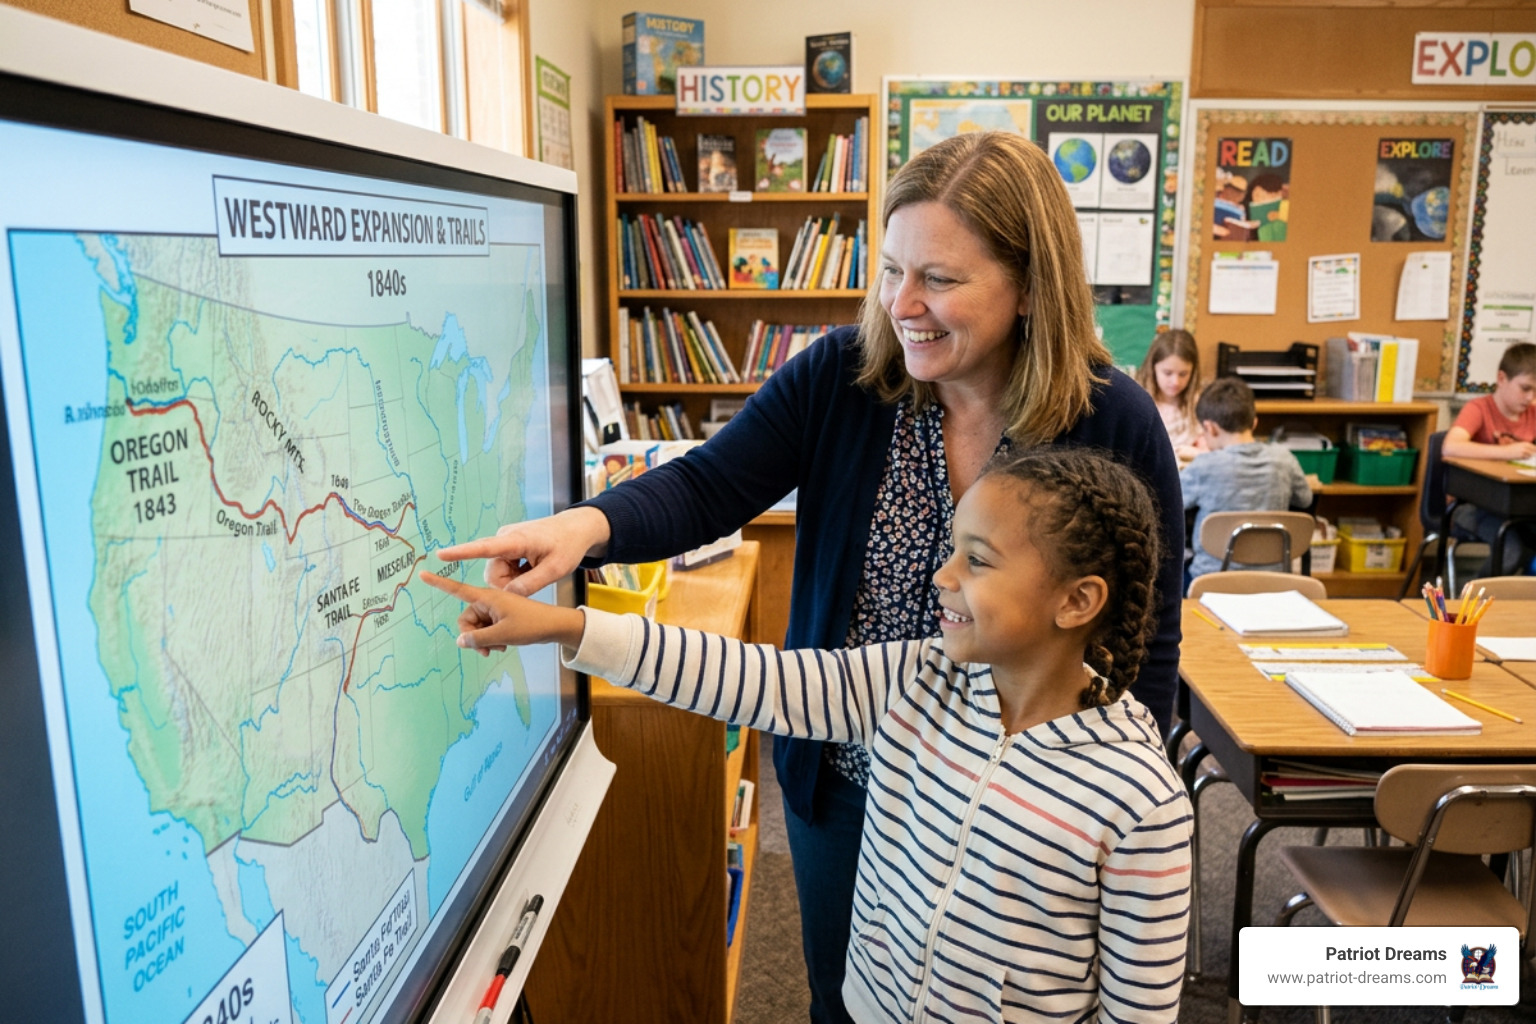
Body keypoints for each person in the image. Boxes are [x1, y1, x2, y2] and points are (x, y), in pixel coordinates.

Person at [435, 131, 1185, 1024]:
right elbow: (712, 486)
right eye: (891, 269)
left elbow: (1149, 636)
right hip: (848, 769)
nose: (904, 304)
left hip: (1037, 810)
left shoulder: (1115, 420)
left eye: (940, 279)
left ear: (1029, 286)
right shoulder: (845, 374)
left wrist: (1112, 807)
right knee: (853, 994)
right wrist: (585, 529)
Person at [421, 447, 1193, 1024]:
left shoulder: (1137, 799)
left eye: (978, 561)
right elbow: (749, 679)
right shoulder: (915, 680)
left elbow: (1140, 1011)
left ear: (1077, 600)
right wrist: (565, 624)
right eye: (952, 548)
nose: (942, 576)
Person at [1181, 376, 1314, 584]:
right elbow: (1305, 500)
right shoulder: (1284, 460)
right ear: (1254, 423)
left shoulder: (1204, 466)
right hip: (1274, 579)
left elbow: (1170, 502)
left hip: (1211, 580)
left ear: (1211, 428)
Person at [1442, 341, 1536, 576]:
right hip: (1472, 506)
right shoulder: (1479, 409)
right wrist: (1506, 452)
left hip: (1521, 507)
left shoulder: (1533, 413)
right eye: (1525, 388)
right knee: (1512, 550)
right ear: (1502, 378)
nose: (1530, 398)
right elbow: (1450, 446)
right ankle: (1471, 604)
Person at [1135, 328, 1206, 462]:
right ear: (1153, 368)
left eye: (1183, 374)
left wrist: (1198, 453)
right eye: (1167, 373)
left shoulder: (1199, 405)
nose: (1175, 382)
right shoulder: (1138, 402)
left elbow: (1208, 451)